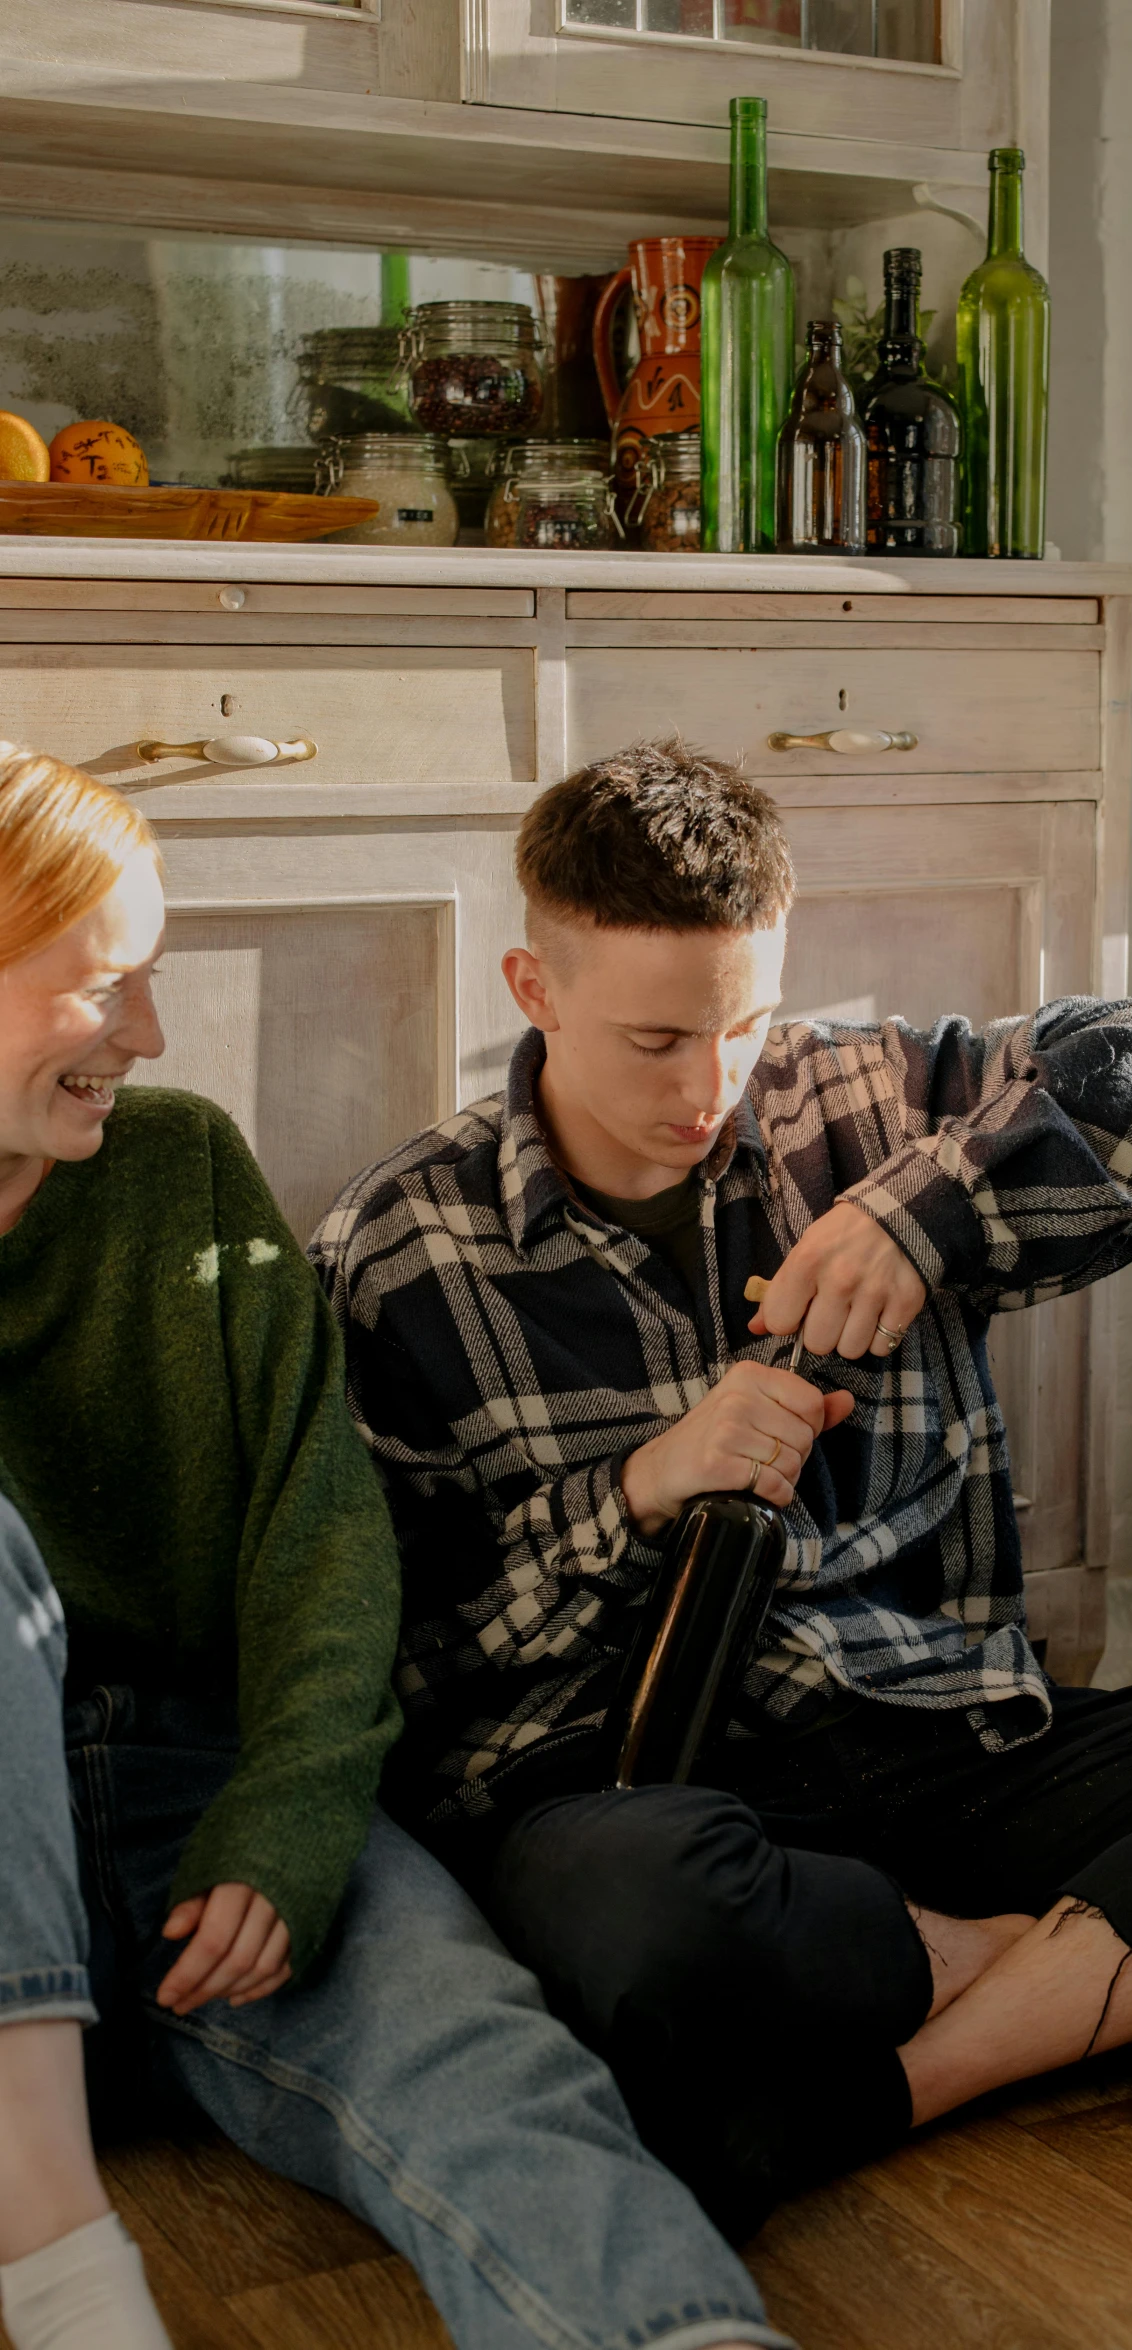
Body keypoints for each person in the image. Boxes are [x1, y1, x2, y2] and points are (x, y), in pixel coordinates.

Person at [314, 738, 1132, 2242]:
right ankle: (1098, 1965)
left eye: (742, 1024)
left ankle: (906, 2072)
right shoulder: (400, 1248)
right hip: (654, 1796)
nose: (707, 1088)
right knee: (639, 1923)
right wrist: (636, 1491)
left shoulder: (865, 1103)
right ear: (532, 987)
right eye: (655, 1040)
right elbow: (400, 1670)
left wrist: (927, 1208)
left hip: (952, 1738)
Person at [0, 745, 789, 2350]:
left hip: (197, 1807)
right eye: (105, 987)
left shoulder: (176, 1171)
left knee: (484, 2058)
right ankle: (61, 2258)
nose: (148, 1033)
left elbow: (318, 1529)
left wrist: (289, 1809)